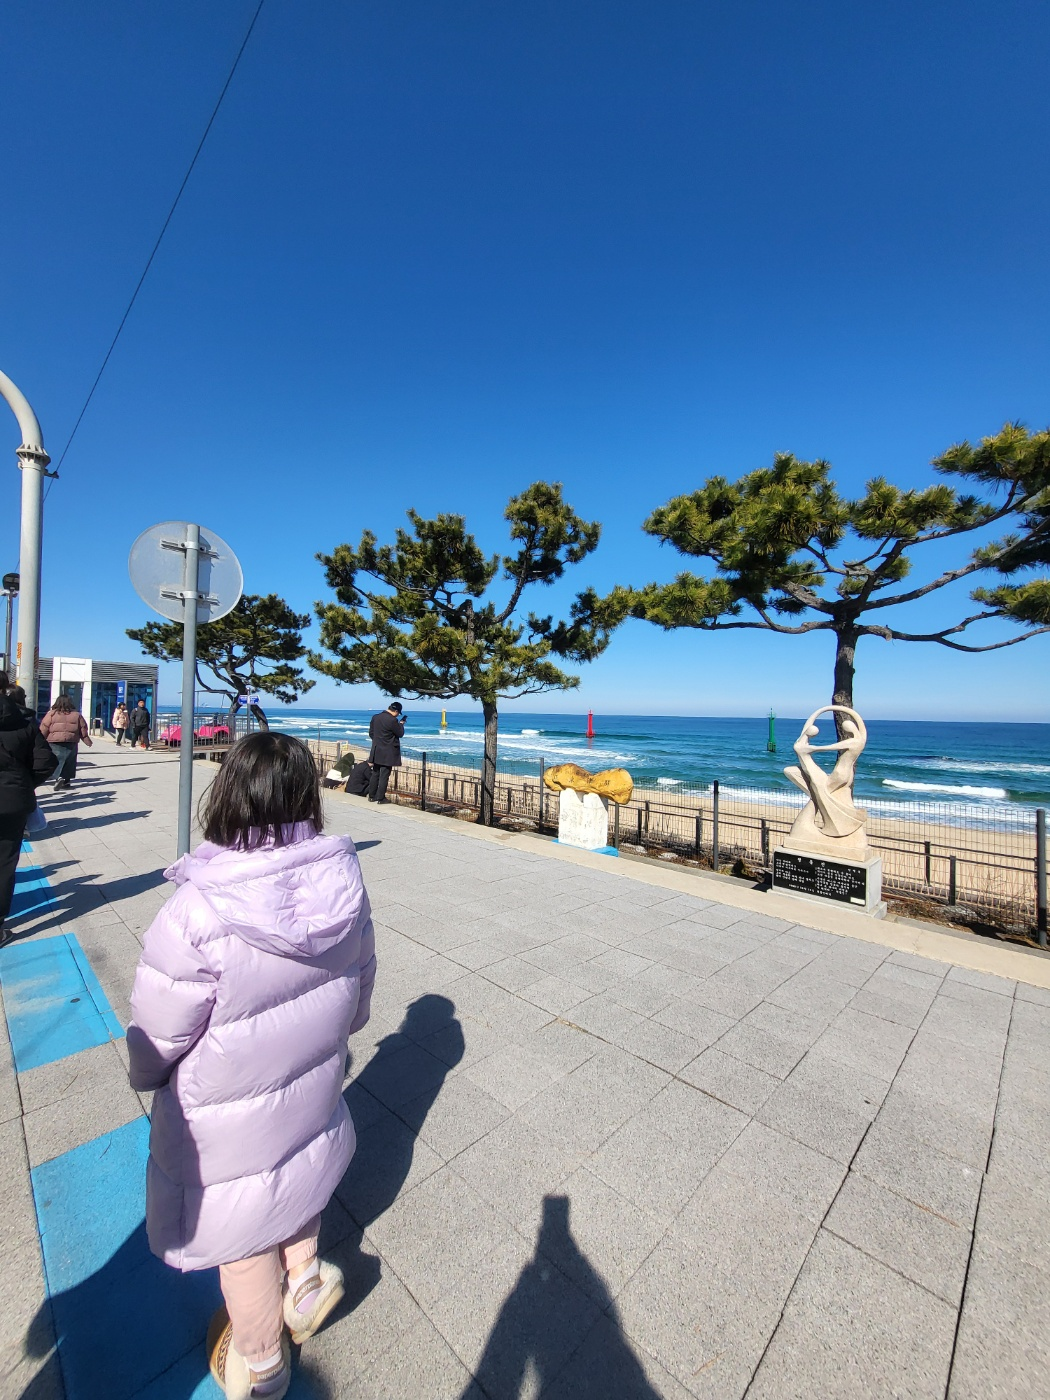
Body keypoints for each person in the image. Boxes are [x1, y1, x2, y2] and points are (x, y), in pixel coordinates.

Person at [126, 732, 376, 1399]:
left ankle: (262, 1362)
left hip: (226, 1105)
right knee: (296, 1176)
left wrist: (148, 1079)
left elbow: (158, 1028)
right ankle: (307, 1282)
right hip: (311, 1076)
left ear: (229, 792)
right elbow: (360, 983)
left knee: (241, 1231)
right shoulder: (343, 880)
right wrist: (341, 1034)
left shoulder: (196, 908)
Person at [0, 672, 57, 943]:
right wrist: (23, 783)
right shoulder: (23, 720)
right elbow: (47, 762)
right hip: (12, 802)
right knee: (4, 863)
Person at [39, 694, 92, 789]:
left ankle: (58, 777)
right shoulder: (77, 715)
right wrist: (87, 740)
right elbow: (82, 728)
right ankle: (66, 781)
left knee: (56, 760)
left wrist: (39, 740)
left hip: (54, 741)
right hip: (71, 741)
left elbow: (44, 727)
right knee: (69, 761)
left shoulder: (51, 714)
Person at [367, 701, 404, 804]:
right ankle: (380, 798)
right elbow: (400, 733)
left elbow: (371, 733)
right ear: (396, 711)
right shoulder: (393, 720)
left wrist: (378, 741)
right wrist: (401, 724)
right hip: (388, 752)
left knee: (375, 773)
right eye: (398, 713)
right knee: (384, 775)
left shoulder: (376, 717)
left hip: (376, 749)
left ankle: (371, 796)